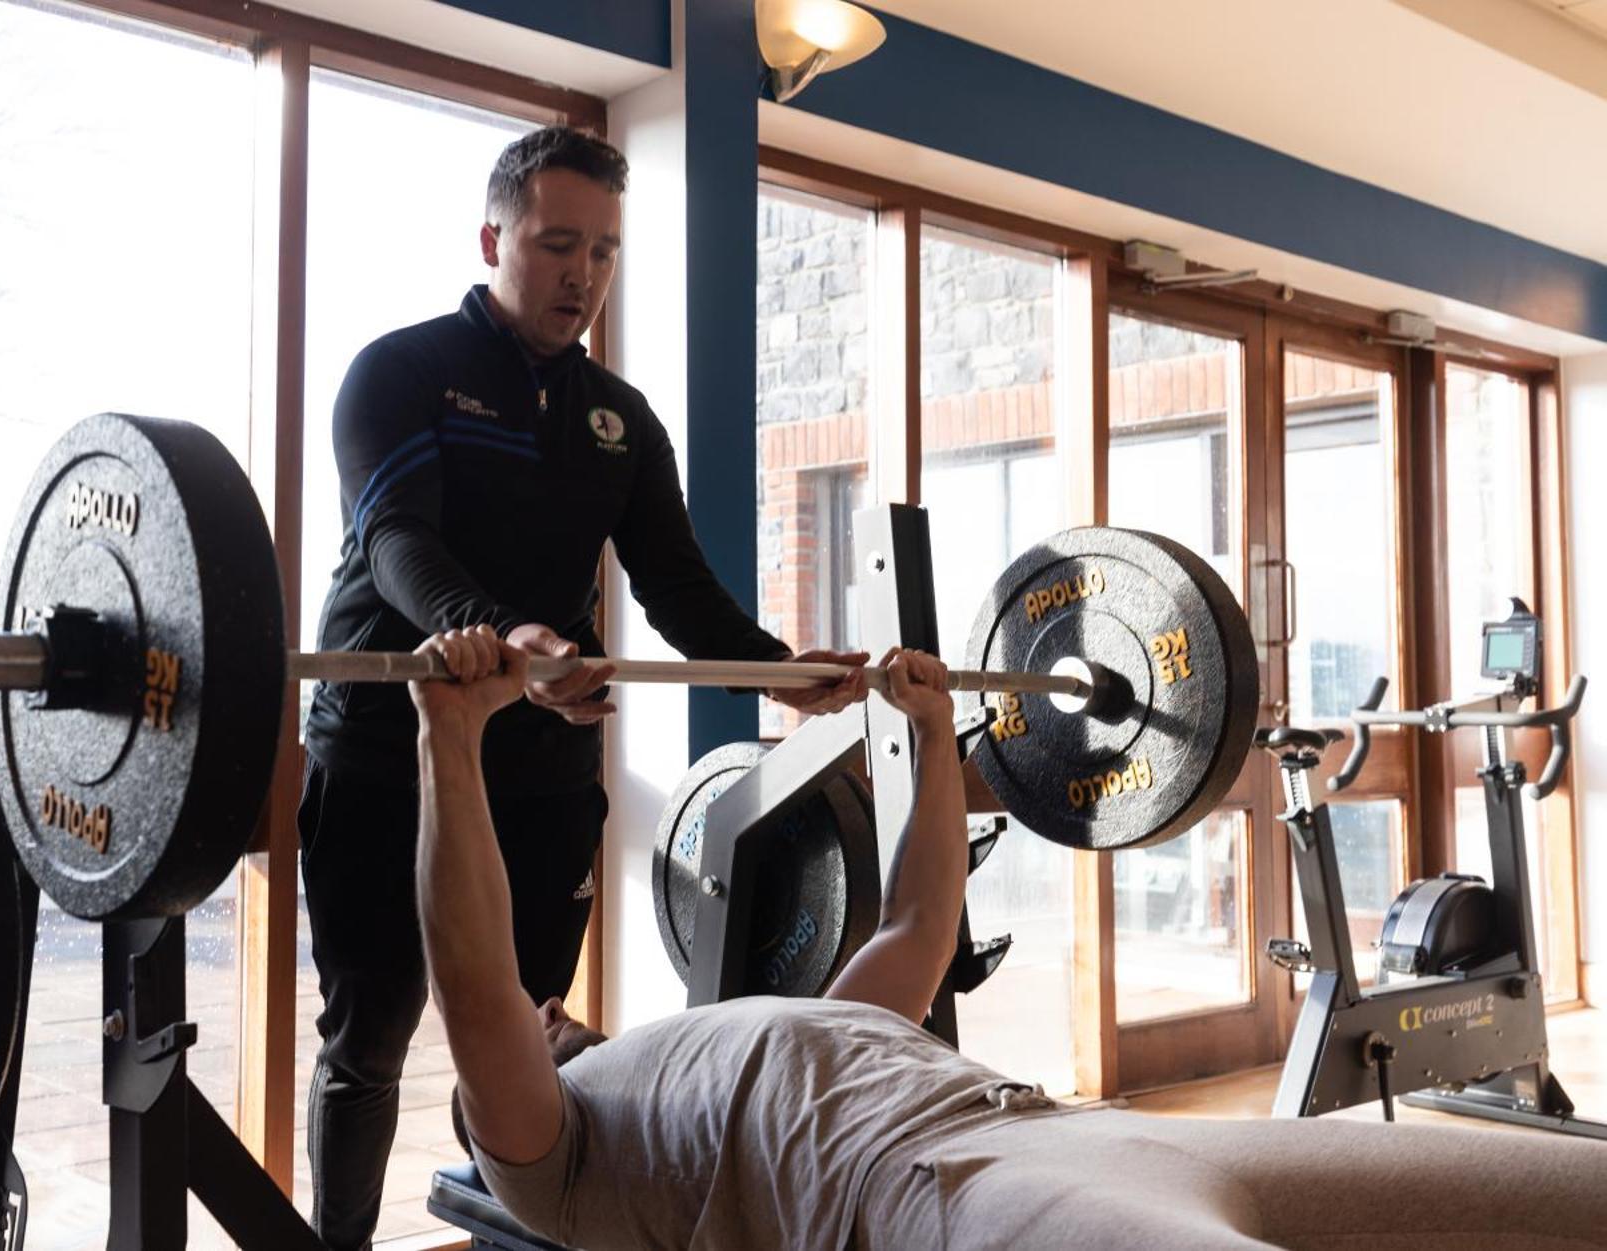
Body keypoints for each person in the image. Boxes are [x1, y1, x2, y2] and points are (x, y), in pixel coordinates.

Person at [411, 627, 1607, 1251]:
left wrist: (934, 732)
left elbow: (919, 921)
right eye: (534, 1022)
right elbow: (471, 978)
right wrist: (448, 740)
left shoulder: (764, 1032)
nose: (548, 1006)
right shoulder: (558, 1159)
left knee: (1563, 1190)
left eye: (547, 1004)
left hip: (1081, 1130)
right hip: (942, 1193)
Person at [301, 125, 866, 1247]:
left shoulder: (619, 418)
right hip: (386, 749)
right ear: (491, 238)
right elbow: (396, 542)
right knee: (368, 1039)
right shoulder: (400, 372)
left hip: (543, 764)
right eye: (558, 244)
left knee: (522, 1035)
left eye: (603, 251)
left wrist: (785, 674)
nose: (583, 274)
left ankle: (523, 1234)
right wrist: (496, 632)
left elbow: (679, 588)